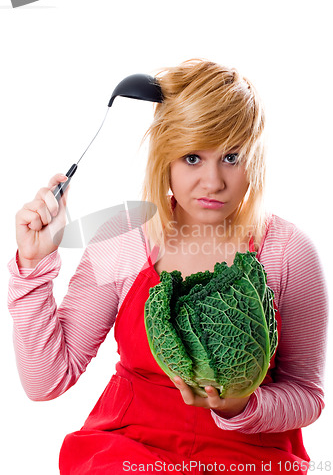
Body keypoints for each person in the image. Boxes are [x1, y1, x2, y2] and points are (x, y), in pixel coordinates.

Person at [8, 59, 328, 475]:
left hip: (247, 458)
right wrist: (33, 265)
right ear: (166, 158)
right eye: (192, 158)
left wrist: (244, 405)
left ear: (255, 160)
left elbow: (307, 395)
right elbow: (47, 380)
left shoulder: (290, 252)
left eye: (231, 157)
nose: (213, 181)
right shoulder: (123, 235)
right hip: (127, 448)